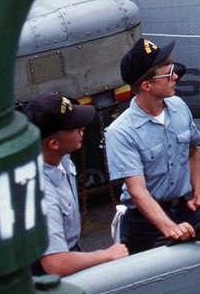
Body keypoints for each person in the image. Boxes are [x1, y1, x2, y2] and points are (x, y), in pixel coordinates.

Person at [106, 38, 200, 252]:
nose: (176, 77)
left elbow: (192, 153)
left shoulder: (179, 107)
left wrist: (199, 192)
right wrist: (170, 228)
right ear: (146, 85)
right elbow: (137, 191)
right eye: (169, 74)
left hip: (182, 207)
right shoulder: (121, 132)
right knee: (134, 269)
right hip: (143, 220)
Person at [26, 92, 129, 276]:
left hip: (70, 250)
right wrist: (107, 254)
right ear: (54, 143)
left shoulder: (60, 157)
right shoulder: (41, 195)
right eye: (74, 128)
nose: (82, 128)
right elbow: (55, 264)